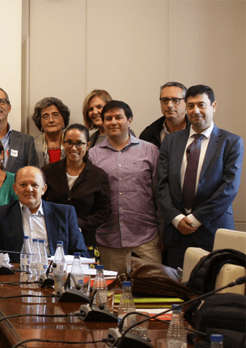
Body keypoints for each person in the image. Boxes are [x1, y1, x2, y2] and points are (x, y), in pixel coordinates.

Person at [157, 85, 243, 268]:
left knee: (214, 289)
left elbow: (229, 188)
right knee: (179, 291)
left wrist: (196, 219)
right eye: (190, 106)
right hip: (177, 233)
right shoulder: (171, 141)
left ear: (214, 106)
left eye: (201, 105)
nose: (196, 111)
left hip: (213, 230)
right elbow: (161, 185)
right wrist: (177, 219)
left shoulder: (231, 142)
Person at [88, 101, 162, 273]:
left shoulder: (150, 151)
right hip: (108, 241)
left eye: (118, 117)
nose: (113, 122)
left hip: (146, 239)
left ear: (129, 120)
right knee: (110, 295)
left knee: (153, 292)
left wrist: (163, 234)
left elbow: (159, 193)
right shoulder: (92, 155)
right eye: (108, 118)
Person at [0, 166, 90, 262]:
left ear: (43, 189)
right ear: (15, 189)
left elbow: (82, 254)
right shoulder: (1, 214)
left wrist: (60, 263)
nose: (29, 189)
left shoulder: (65, 214)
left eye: (34, 185)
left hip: (55, 276)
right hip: (15, 276)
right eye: (23, 185)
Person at [42, 123, 112, 252]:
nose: (73, 148)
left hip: (85, 240)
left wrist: (79, 223)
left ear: (88, 145)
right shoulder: (48, 171)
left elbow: (104, 211)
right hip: (51, 236)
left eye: (79, 143)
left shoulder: (98, 175)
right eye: (69, 142)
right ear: (63, 143)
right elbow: (39, 202)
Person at [140, 82, 188, 149]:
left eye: (175, 100)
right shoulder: (149, 134)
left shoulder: (197, 131)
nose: (169, 105)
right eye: (165, 100)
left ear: (186, 103)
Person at [32, 97, 70, 165]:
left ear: (64, 119)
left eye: (55, 115)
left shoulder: (73, 142)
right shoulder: (32, 144)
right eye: (45, 116)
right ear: (40, 122)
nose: (51, 120)